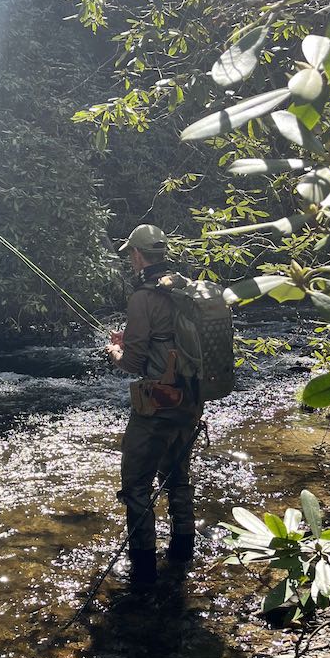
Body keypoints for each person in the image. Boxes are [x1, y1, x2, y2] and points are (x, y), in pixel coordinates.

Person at [106, 224, 202, 590]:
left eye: (131, 253)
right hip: (191, 400)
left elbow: (132, 363)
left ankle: (143, 572)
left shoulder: (142, 298)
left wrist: (116, 350)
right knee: (178, 478)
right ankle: (182, 554)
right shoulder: (186, 289)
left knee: (135, 485)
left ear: (138, 255)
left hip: (157, 405)